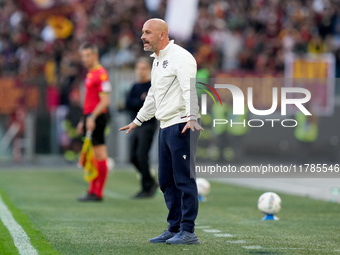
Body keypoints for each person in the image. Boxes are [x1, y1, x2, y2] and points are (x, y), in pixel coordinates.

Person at [120, 18, 204, 245]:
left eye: (147, 33)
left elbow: (189, 89)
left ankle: (188, 231)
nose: (142, 37)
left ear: (162, 34)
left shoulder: (181, 57)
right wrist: (137, 120)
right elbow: (153, 96)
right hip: (165, 125)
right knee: (166, 180)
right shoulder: (157, 61)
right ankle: (174, 227)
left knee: (183, 180)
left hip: (182, 124)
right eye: (142, 32)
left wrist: (191, 117)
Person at [76, 42, 111, 202]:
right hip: (89, 116)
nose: (84, 59)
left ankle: (98, 192)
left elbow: (105, 101)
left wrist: (91, 117)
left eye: (87, 55)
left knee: (100, 153)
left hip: (97, 117)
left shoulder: (101, 74)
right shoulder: (90, 73)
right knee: (92, 155)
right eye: (83, 56)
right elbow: (89, 100)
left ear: (95, 55)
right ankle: (92, 190)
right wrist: (83, 119)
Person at [125, 58, 158, 198]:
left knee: (141, 155)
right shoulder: (135, 87)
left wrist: (139, 102)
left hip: (148, 125)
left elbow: (150, 105)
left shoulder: (152, 86)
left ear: (149, 70)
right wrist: (140, 101)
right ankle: (151, 182)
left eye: (144, 68)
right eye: (139, 68)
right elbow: (128, 104)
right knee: (133, 157)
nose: (141, 71)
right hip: (136, 124)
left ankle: (146, 188)